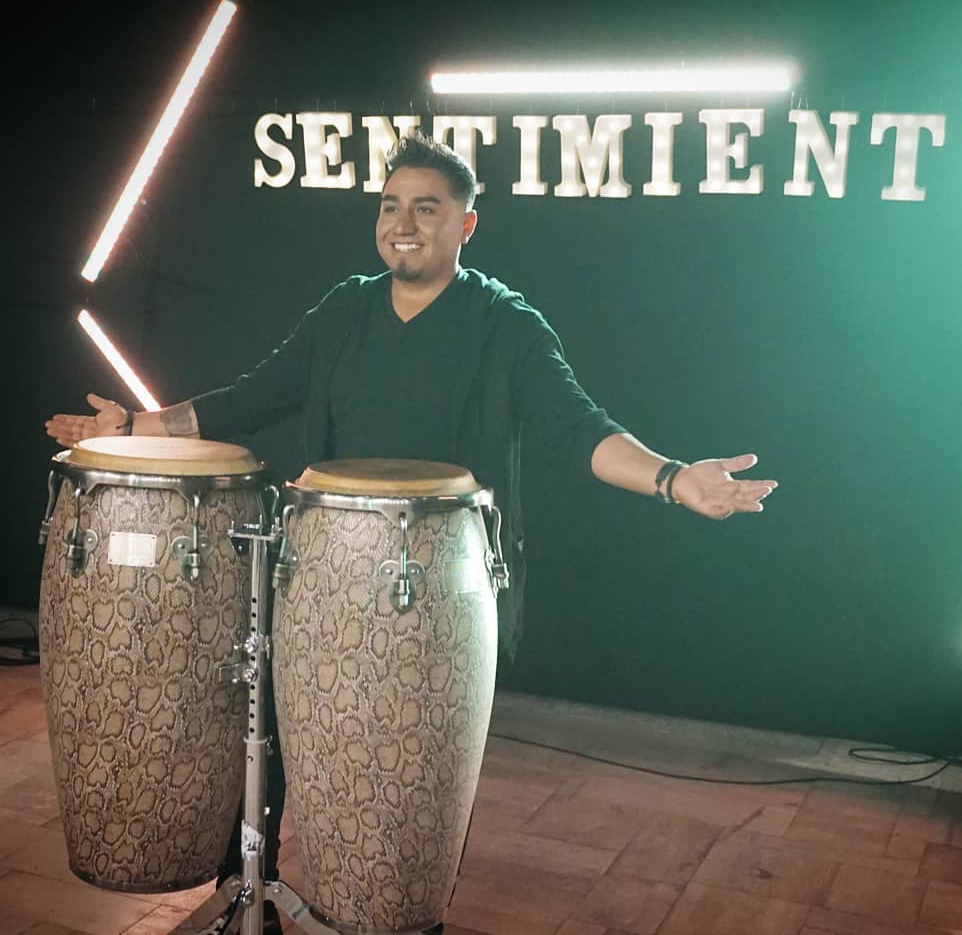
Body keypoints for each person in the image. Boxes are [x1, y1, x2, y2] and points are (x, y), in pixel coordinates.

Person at [46, 133, 778, 934]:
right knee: (275, 743)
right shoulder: (345, 310)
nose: (403, 222)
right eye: (391, 206)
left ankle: (397, 917)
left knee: (402, 784)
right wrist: (140, 425)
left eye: (426, 208)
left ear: (466, 225)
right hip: (320, 569)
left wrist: (674, 479)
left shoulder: (504, 326)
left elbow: (579, 430)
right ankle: (253, 896)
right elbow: (254, 397)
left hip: (436, 588)